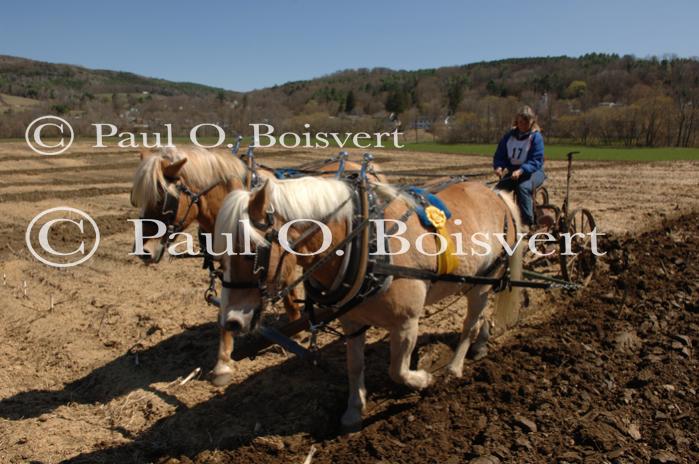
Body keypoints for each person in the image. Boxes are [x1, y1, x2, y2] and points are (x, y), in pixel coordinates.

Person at [493, 105, 546, 229]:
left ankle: (528, 223)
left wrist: (522, 170)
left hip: (533, 172)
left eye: (526, 122)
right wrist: (499, 166)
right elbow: (500, 154)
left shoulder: (536, 137)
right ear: (517, 121)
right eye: (521, 122)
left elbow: (536, 160)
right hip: (513, 173)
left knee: (522, 188)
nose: (523, 125)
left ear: (531, 122)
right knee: (497, 191)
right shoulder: (509, 137)